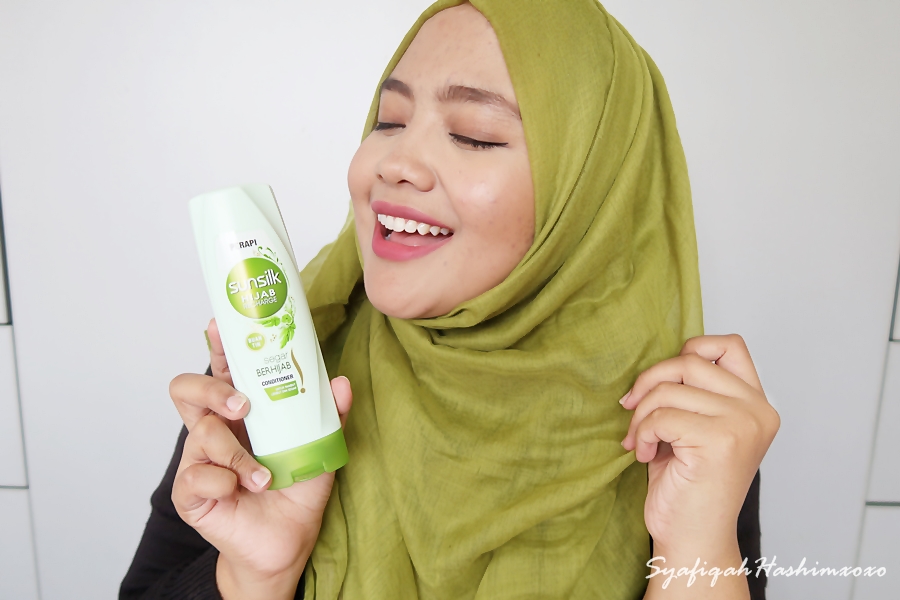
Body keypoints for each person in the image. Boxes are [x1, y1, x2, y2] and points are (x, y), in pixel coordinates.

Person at [121, 1, 779, 598]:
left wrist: (696, 549)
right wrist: (254, 577)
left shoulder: (683, 425)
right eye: (389, 120)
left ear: (586, 195)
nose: (395, 162)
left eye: (474, 134)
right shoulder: (283, 373)